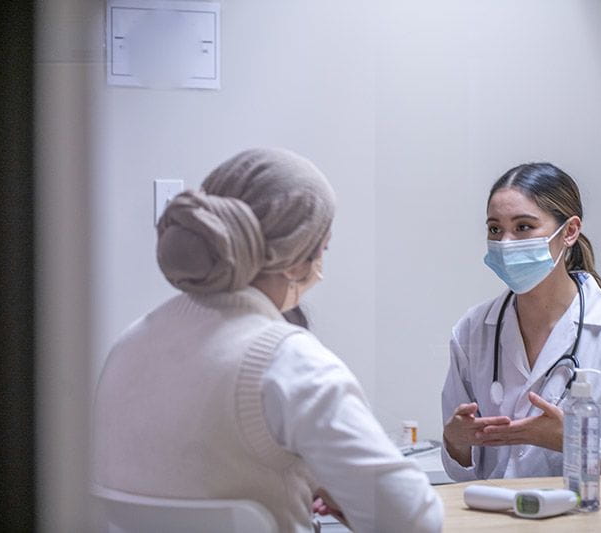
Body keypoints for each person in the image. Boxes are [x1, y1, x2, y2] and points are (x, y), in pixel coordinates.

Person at [93, 148, 443, 532]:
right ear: (294, 260)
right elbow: (413, 521)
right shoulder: (288, 361)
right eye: (322, 249)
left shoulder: (129, 345)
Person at [441, 162, 601, 481]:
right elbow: (461, 469)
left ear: (569, 231)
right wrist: (456, 442)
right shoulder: (471, 331)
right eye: (495, 229)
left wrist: (572, 441)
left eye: (524, 227)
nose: (505, 243)